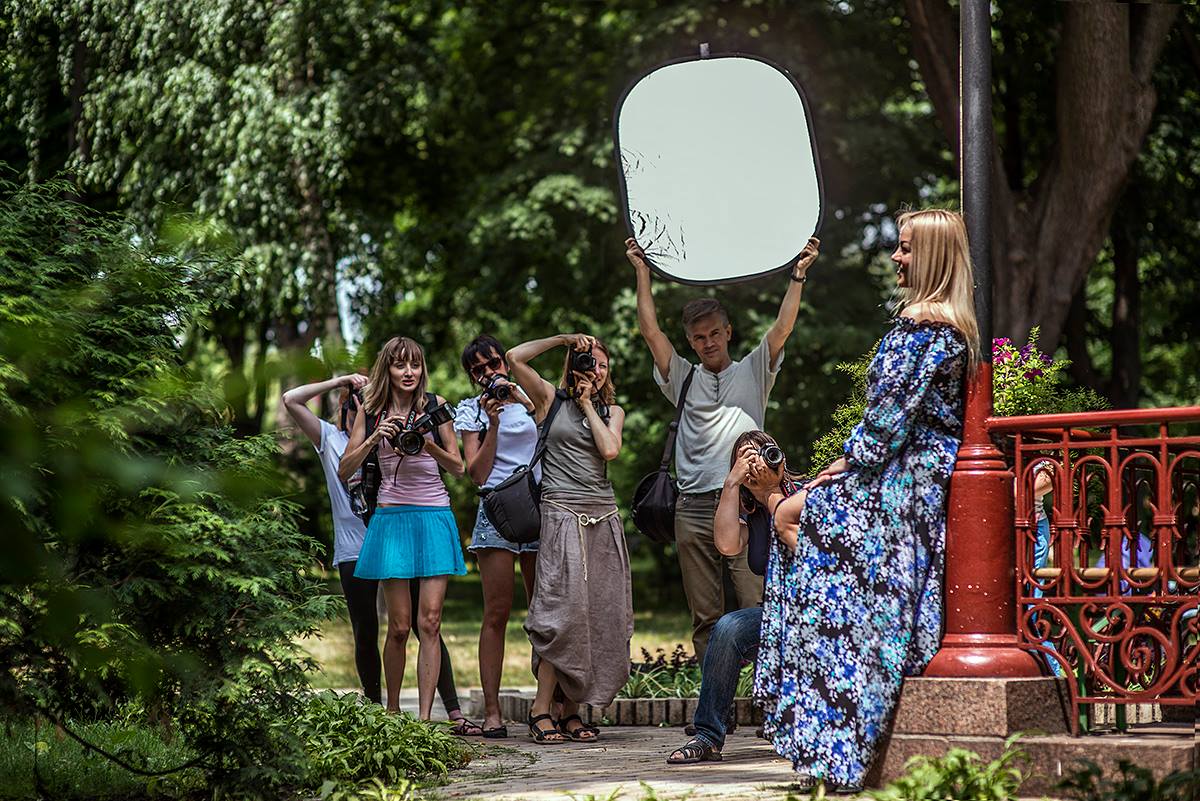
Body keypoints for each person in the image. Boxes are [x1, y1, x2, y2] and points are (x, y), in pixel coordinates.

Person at [759, 208, 979, 792]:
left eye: (906, 249)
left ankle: (827, 725)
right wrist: (849, 461)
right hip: (903, 469)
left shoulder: (926, 326)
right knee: (793, 515)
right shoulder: (944, 325)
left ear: (931, 255)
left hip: (904, 477)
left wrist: (846, 463)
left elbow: (887, 422)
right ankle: (817, 721)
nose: (895, 257)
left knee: (794, 516)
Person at [626, 235, 820, 661]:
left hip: (748, 505)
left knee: (757, 606)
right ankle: (717, 700)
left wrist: (798, 274)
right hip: (693, 505)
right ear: (691, 342)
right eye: (698, 337)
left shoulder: (754, 369)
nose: (708, 342)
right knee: (706, 614)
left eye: (715, 333)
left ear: (728, 332)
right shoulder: (682, 376)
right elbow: (650, 331)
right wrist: (643, 272)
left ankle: (763, 691)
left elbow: (783, 327)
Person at [506, 332, 630, 744]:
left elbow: (610, 450)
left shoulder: (613, 411)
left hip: (603, 516)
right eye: (588, 361)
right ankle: (542, 708)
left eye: (602, 364)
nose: (595, 369)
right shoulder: (548, 399)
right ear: (573, 365)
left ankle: (573, 711)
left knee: (595, 616)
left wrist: (588, 405)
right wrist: (563, 340)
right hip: (560, 515)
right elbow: (514, 356)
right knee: (563, 614)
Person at [338, 336, 466, 718]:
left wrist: (425, 444)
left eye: (414, 365)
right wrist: (376, 438)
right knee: (398, 626)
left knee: (430, 623)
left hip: (433, 516)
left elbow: (458, 467)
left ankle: (425, 720)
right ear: (387, 370)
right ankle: (393, 714)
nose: (408, 372)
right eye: (400, 365)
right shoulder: (372, 410)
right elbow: (345, 469)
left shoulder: (436, 407)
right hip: (391, 518)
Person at [666, 431, 797, 765]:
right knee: (728, 628)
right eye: (744, 457)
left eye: (760, 452)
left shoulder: (803, 492)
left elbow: (797, 535)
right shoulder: (750, 513)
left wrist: (770, 490)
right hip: (779, 615)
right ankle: (708, 736)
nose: (753, 462)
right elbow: (726, 545)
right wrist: (730, 485)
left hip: (818, 612)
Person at [454, 335, 541, 738]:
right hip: (496, 510)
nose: (489, 374)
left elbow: (551, 433)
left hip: (537, 509)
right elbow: (476, 473)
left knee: (544, 612)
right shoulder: (472, 411)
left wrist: (519, 398)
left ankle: (549, 705)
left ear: (504, 364)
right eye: (479, 370)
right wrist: (492, 421)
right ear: (473, 378)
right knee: (497, 613)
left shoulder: (530, 398)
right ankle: (492, 712)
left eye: (493, 365)